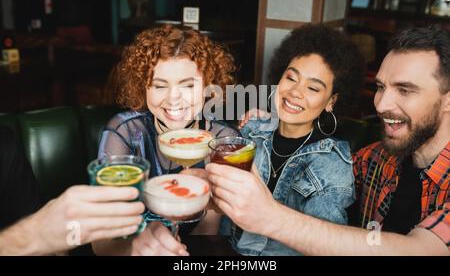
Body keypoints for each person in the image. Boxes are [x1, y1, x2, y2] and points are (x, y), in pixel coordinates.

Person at [208, 26, 450, 255]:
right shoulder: (377, 159)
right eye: (379, 87)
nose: (381, 104)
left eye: (405, 90)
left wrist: (268, 215)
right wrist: (272, 122)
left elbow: (421, 250)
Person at [211, 24, 363, 255]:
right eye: (291, 78)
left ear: (331, 101)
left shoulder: (331, 166)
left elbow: (326, 245)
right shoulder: (252, 131)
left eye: (313, 88)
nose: (295, 92)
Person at [92, 24, 239, 255]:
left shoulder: (224, 139)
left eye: (188, 85)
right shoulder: (125, 131)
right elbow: (102, 241)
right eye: (159, 85)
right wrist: (137, 246)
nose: (173, 99)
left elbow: (208, 229)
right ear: (143, 86)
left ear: (208, 87)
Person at [0, 125, 145, 255]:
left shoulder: (5, 143)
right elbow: (39, 234)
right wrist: (34, 236)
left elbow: (50, 245)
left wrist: (51, 243)